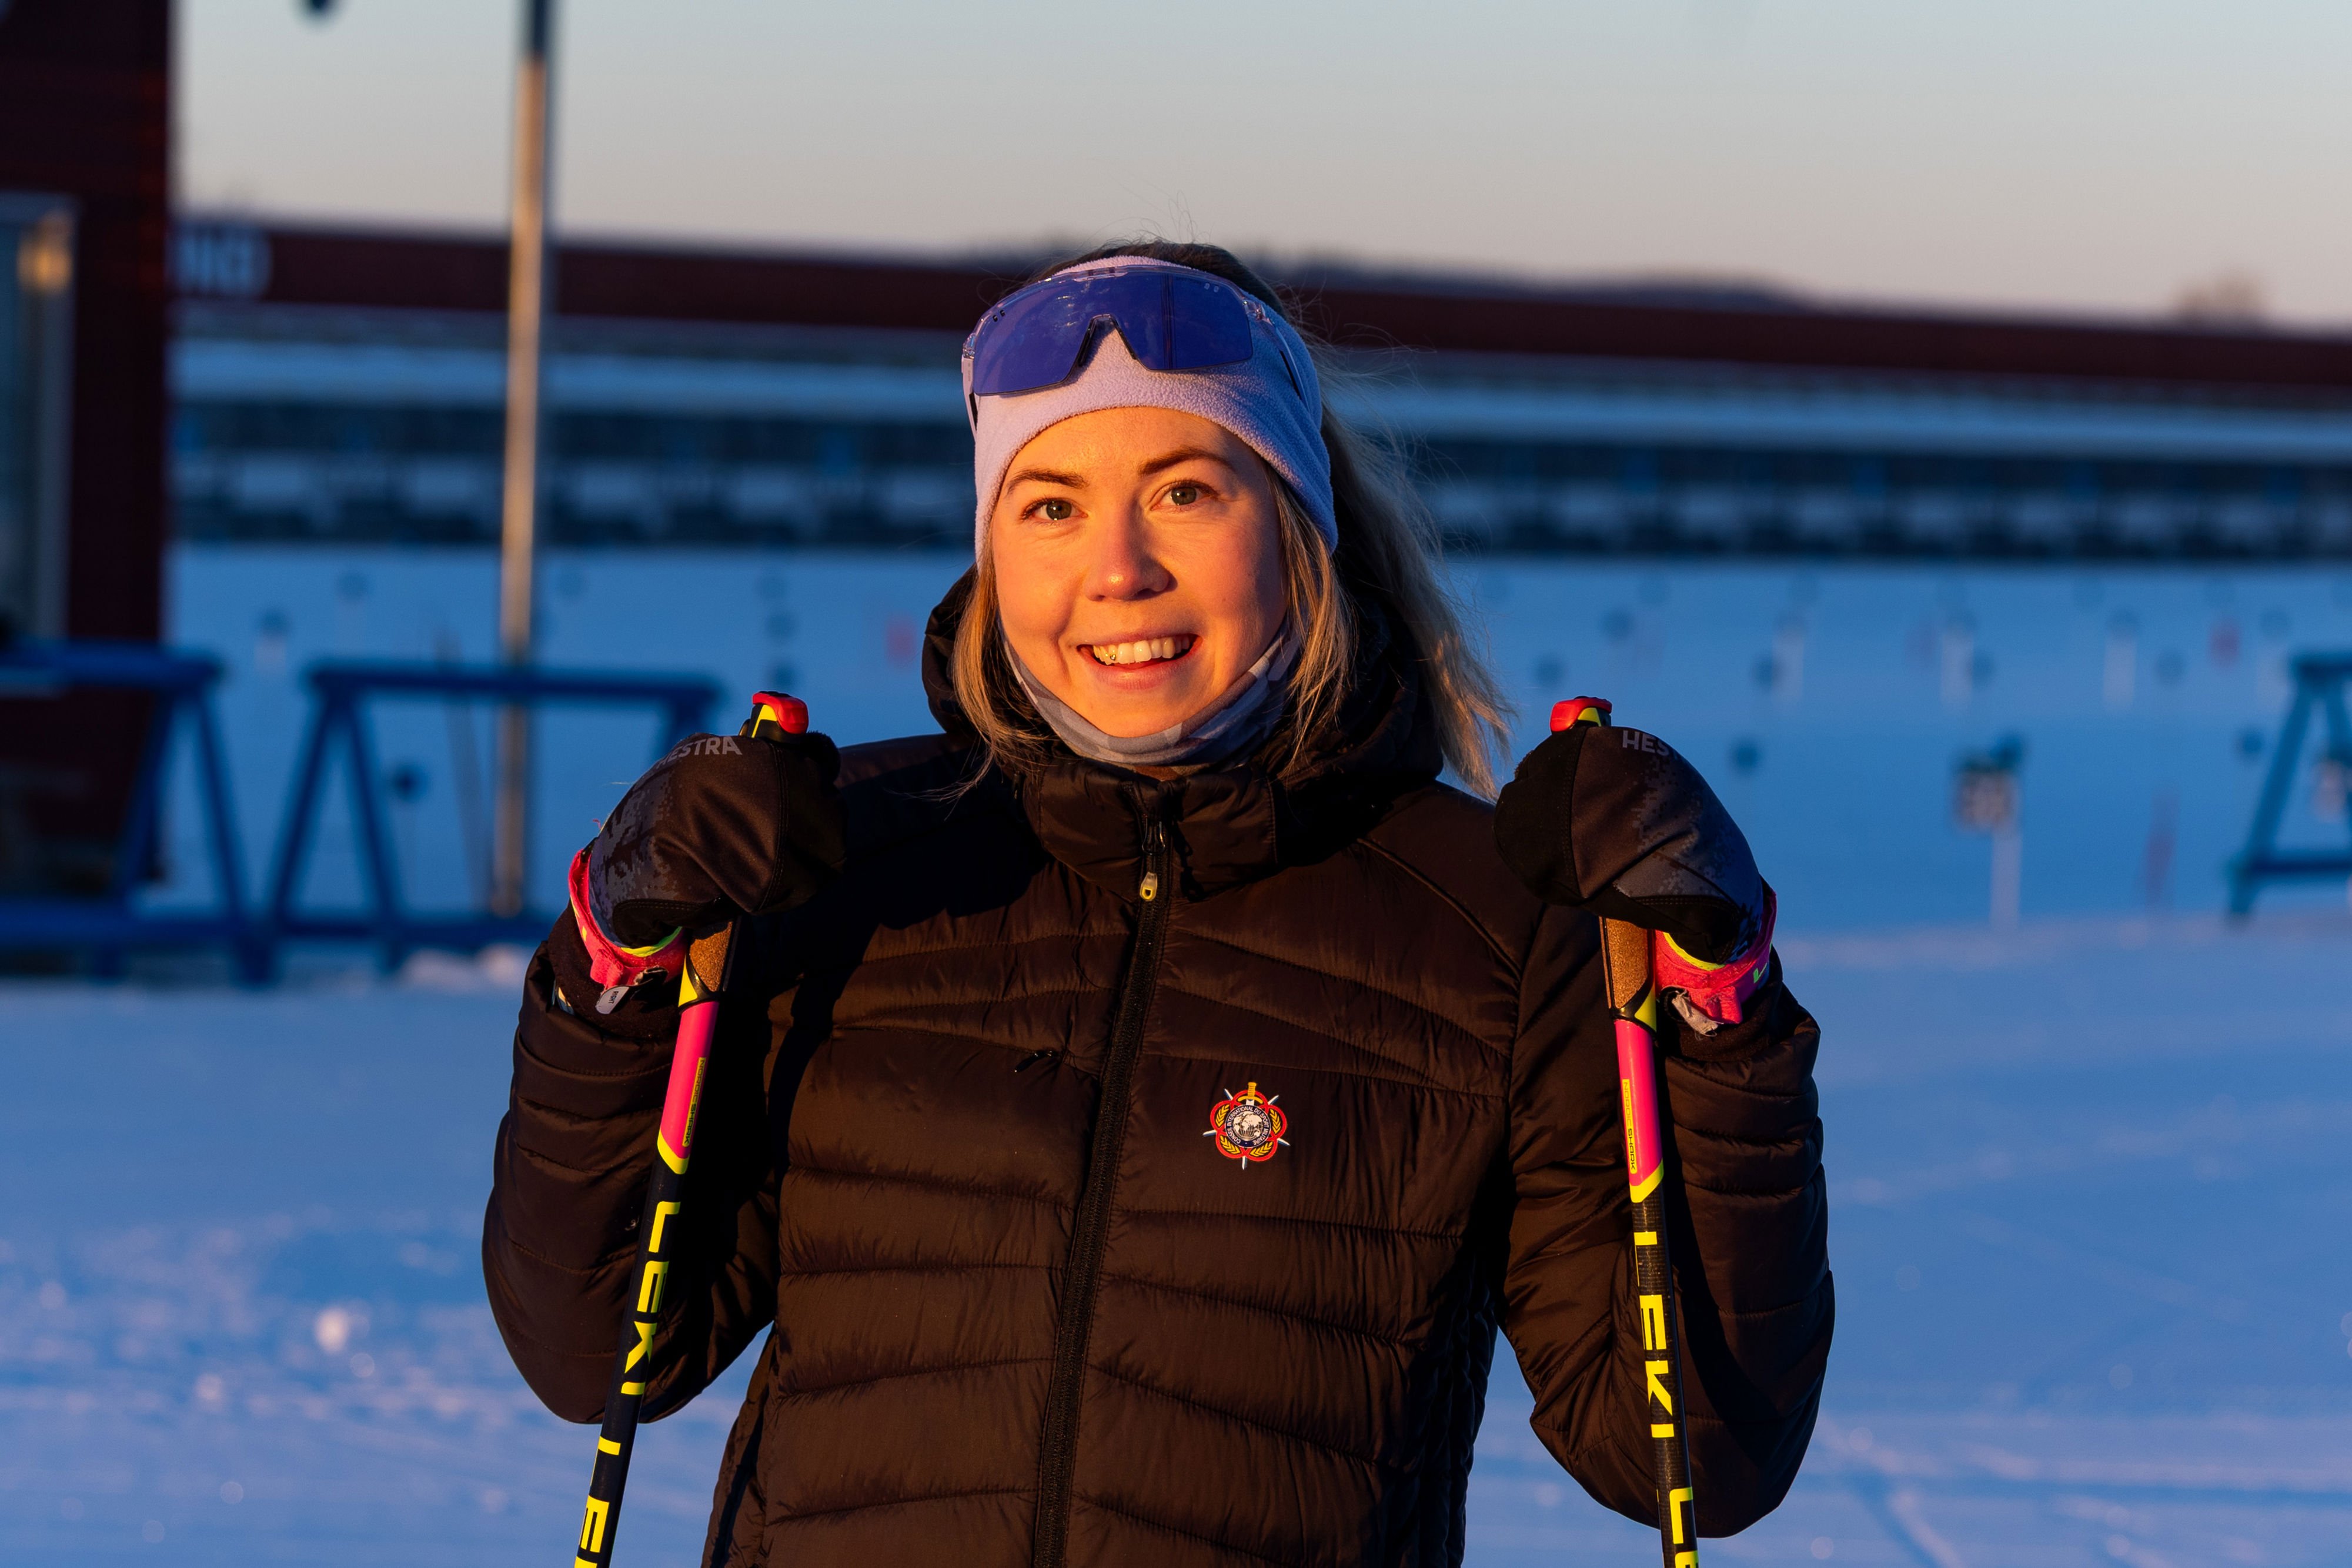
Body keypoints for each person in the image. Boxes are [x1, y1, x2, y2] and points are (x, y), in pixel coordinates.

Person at [484, 242, 1830, 1567]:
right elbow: (601, 1343)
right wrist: (621, 957)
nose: (1114, 568)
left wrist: (1715, 1006)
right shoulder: (849, 865)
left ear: (1300, 525)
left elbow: (1689, 1456)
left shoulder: (1487, 921)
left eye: (1184, 490)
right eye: (1049, 505)